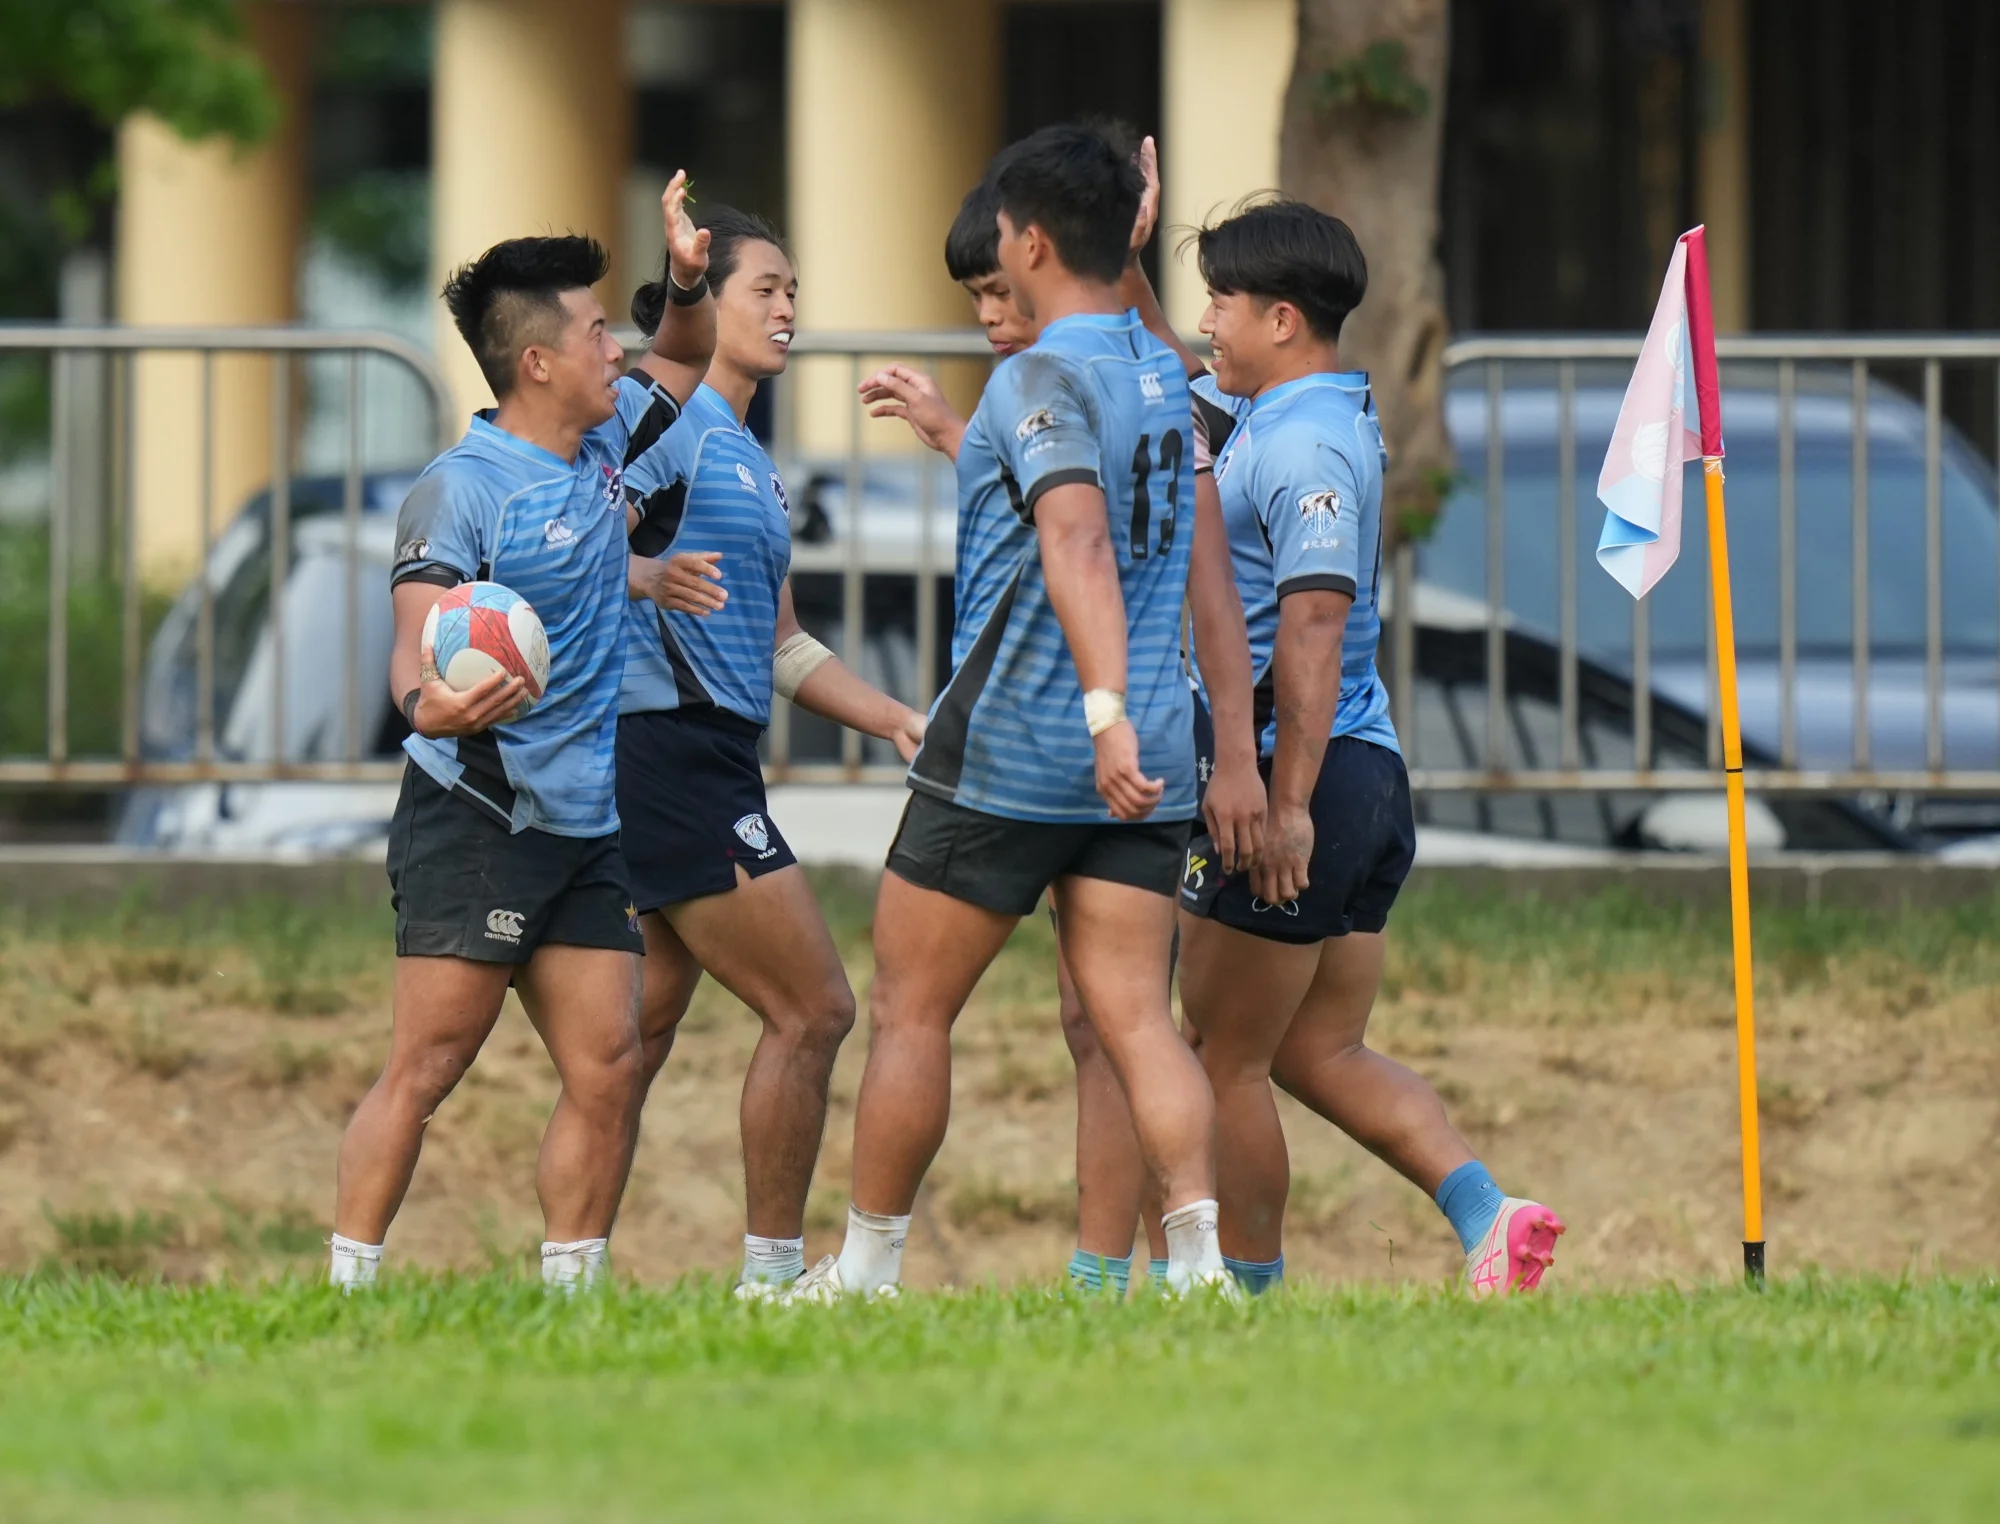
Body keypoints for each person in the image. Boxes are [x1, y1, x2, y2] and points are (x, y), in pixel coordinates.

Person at [791, 125, 1251, 1302]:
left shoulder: (1035, 374)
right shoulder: (1164, 372)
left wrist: (1096, 712)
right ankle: (1198, 1265)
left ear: (1031, 240)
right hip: (1148, 757)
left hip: (1015, 751)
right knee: (1139, 1025)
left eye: (1001, 237)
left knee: (909, 1009)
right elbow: (1181, 559)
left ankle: (867, 1271)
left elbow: (1075, 536)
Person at [330, 176, 716, 1293]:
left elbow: (684, 359)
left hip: (585, 822)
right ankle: (347, 1291)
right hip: (478, 814)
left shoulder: (600, 457)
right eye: (598, 331)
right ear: (536, 361)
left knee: (608, 1066)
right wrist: (427, 706)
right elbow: (417, 643)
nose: (618, 346)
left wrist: (685, 274)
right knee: (430, 1063)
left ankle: (571, 1301)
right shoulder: (460, 491)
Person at [1175, 198, 1566, 1296]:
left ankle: (1243, 1301)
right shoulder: (1280, 407)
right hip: (1360, 771)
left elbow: (1312, 626)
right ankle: (1487, 1212)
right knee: (1315, 1052)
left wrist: (1282, 798)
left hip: (1305, 775)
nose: (1205, 320)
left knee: (1222, 1057)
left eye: (1221, 301)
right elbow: (1163, 371)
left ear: (1284, 319)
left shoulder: (1302, 442)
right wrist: (1121, 240)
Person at [617, 207, 928, 1299]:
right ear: (702, 304)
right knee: (815, 1009)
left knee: (636, 1035)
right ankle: (769, 1281)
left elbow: (783, 643)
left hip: (710, 753)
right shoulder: (658, 418)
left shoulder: (749, 456)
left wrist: (891, 716)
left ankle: (567, 1279)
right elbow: (555, 532)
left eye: (795, 289)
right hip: (662, 745)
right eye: (765, 289)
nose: (788, 308)